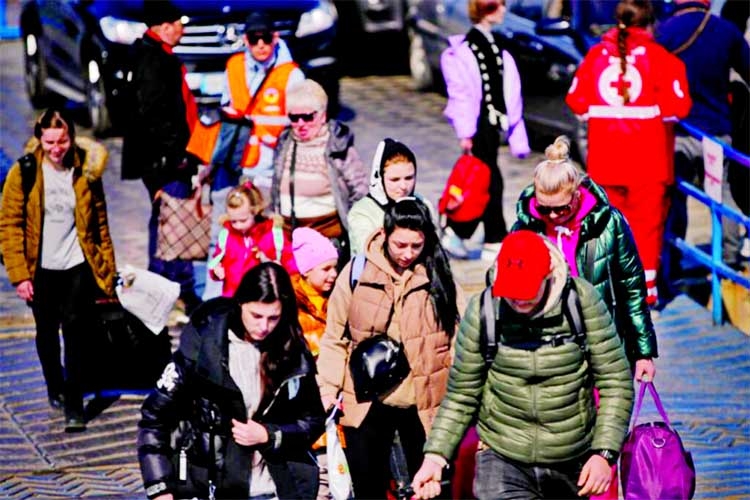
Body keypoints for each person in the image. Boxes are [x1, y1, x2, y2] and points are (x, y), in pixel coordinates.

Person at [411, 230, 634, 500]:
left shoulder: (581, 302)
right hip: (502, 455)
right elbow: (461, 394)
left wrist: (604, 453)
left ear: (548, 273)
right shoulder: (484, 310)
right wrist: (435, 456)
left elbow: (616, 382)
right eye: (511, 292)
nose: (517, 300)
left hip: (570, 454)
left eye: (526, 291)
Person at [137, 262, 325, 500]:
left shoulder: (292, 349)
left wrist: (270, 435)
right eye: (256, 315)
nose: (263, 326)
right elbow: (154, 418)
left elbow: (313, 420)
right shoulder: (203, 346)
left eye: (273, 318)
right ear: (240, 305)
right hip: (212, 482)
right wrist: (159, 487)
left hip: (277, 485)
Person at [317, 197, 462, 500]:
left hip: (425, 403)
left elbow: (462, 336)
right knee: (369, 486)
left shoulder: (440, 275)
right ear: (384, 235)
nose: (407, 254)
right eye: (400, 245)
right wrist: (328, 387)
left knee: (431, 489)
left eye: (416, 246)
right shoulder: (357, 272)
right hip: (368, 400)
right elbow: (335, 337)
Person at [565, 0, 692, 306]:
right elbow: (680, 107)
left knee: (608, 227)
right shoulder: (662, 60)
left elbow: (576, 101)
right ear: (651, 25)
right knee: (647, 230)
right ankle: (645, 291)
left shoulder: (595, 56)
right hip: (650, 162)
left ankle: (609, 288)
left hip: (605, 161)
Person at [0, 109, 116, 433]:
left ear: (71, 138)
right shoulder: (23, 172)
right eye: (50, 141)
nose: (56, 148)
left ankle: (75, 402)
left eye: (62, 140)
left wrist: (108, 268)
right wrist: (20, 275)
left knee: (77, 332)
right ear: (40, 140)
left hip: (77, 264)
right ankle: (55, 383)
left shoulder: (88, 170)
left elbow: (100, 223)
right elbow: (9, 225)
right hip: (40, 268)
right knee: (47, 333)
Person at [513, 135, 657, 380]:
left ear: (577, 195)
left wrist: (643, 353)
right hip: (547, 351)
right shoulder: (525, 228)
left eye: (562, 208)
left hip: (602, 345)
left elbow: (631, 289)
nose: (553, 215)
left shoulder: (610, 224)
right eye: (544, 208)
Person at [656, 0, 750, 303]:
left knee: (675, 195)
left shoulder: (664, 33)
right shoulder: (725, 31)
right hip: (717, 130)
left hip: (678, 130)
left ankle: (674, 258)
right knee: (722, 194)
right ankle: (729, 261)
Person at [121, 0, 202, 314]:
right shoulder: (154, 61)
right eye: (178, 23)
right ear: (165, 26)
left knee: (167, 221)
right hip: (166, 162)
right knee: (174, 223)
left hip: (163, 161)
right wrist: (177, 156)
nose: (182, 28)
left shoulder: (153, 55)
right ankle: (171, 289)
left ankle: (162, 289)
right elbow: (154, 118)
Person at [440, 0, 531, 260]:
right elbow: (462, 94)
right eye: (495, 6)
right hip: (479, 124)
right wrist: (466, 131)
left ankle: (481, 234)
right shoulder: (465, 50)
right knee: (483, 181)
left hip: (492, 122)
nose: (502, 11)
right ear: (482, 11)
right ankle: (471, 232)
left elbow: (510, 89)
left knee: (487, 180)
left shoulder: (496, 45)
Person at [270, 79, 369, 268]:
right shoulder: (285, 142)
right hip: (289, 235)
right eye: (294, 117)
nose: (300, 124)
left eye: (307, 117)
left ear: (322, 116)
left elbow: (360, 190)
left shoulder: (337, 146)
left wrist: (353, 228)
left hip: (327, 236)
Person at [290, 226, 340, 500]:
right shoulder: (294, 307)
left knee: (340, 473)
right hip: (311, 401)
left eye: (335, 267)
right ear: (306, 270)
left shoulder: (337, 299)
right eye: (326, 269)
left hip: (337, 402)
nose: (333, 274)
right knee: (318, 475)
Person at [348, 138, 436, 256]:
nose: (403, 186)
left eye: (409, 178)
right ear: (379, 178)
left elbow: (435, 251)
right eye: (395, 180)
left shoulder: (424, 205)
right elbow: (368, 255)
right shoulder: (362, 212)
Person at [207, 182, 297, 297]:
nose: (238, 226)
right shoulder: (227, 235)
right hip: (232, 295)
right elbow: (217, 258)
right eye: (233, 221)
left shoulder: (271, 234)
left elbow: (290, 261)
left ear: (255, 212)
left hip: (263, 296)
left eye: (243, 220)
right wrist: (217, 270)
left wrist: (279, 269)